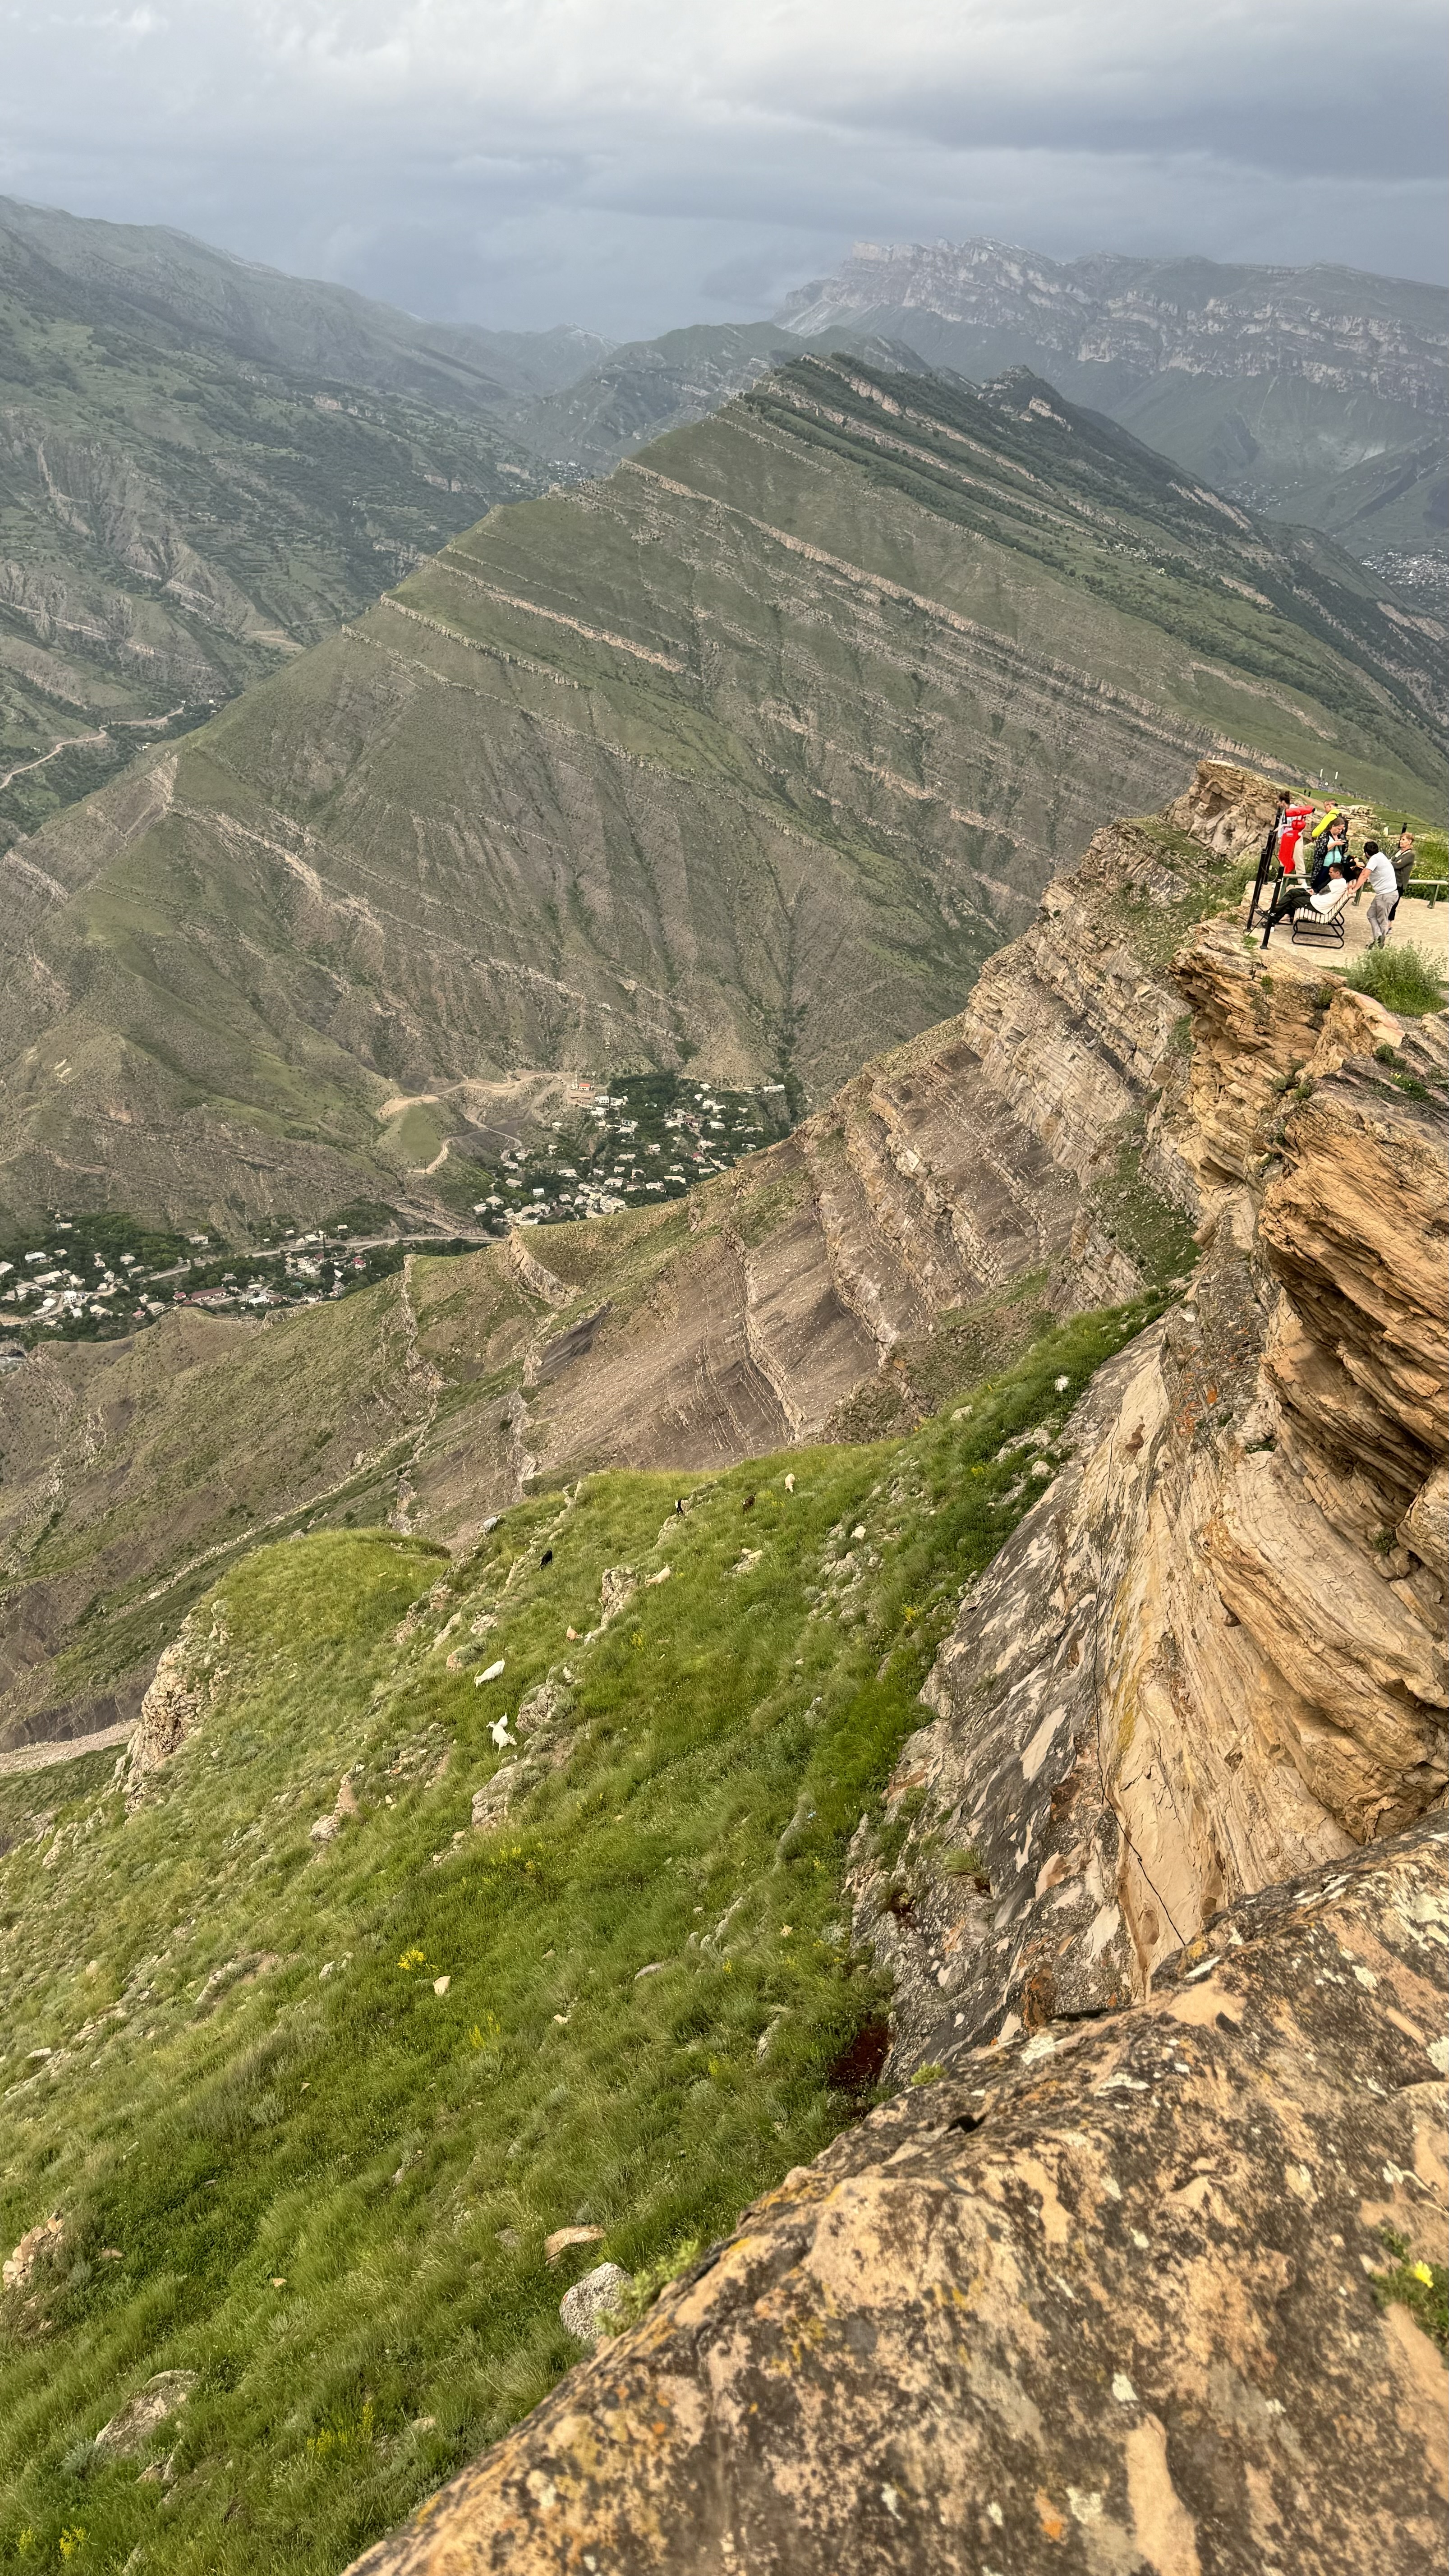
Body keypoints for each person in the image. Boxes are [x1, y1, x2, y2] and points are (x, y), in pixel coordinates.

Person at [1260, 852, 1354, 946]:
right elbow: (1323, 892)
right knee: (1293, 894)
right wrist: (1314, 892)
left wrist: (1313, 892)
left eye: (1331, 872)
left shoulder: (1337, 883)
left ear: (1338, 873)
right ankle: (1272, 917)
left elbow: (1322, 892)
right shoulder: (1340, 882)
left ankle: (1272, 915)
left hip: (1318, 905)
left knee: (1292, 899)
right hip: (1317, 900)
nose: (1329, 874)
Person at [1360, 840, 1398, 948]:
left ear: (1366, 853)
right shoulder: (1381, 856)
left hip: (1386, 895)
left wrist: (1355, 888)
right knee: (1371, 915)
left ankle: (1379, 944)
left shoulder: (1374, 859)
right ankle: (1379, 937)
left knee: (1382, 920)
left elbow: (1365, 875)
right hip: (1385, 894)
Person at [1391, 825, 1416, 922]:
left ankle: (1389, 924)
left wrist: (1392, 863)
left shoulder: (1410, 855)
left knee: (1393, 904)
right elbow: (1392, 861)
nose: (1401, 841)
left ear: (1409, 842)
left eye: (1403, 840)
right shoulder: (1398, 852)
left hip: (1399, 883)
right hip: (1392, 880)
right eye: (1401, 839)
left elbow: (1399, 865)